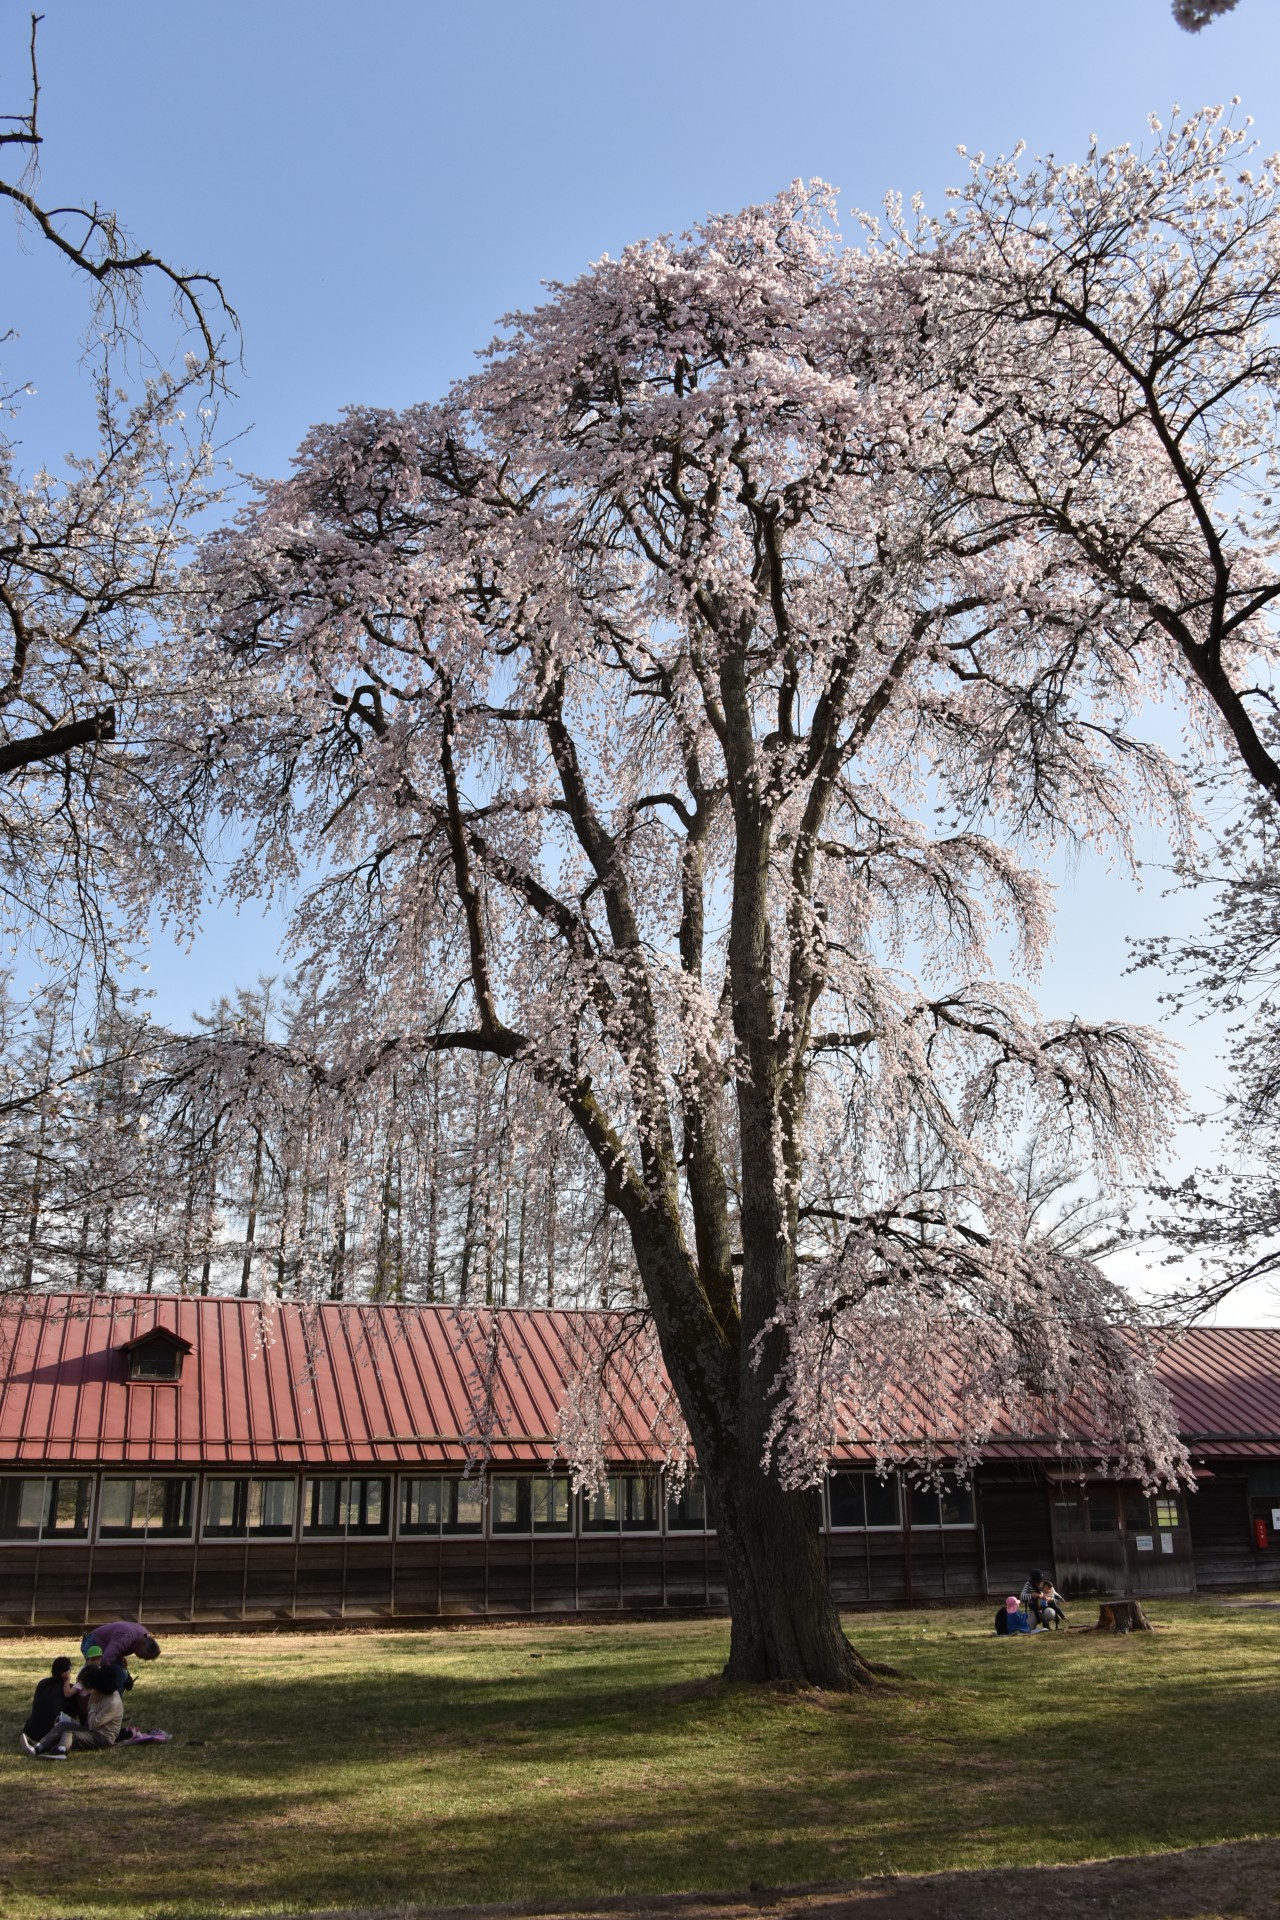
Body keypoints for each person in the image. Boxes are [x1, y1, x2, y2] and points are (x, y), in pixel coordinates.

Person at [27, 1666, 122, 1760]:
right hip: (92, 1730)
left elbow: (93, 1724)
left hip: (103, 1737)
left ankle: (61, 1751)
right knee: (63, 1725)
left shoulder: (113, 1703)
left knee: (70, 1734)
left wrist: (93, 1704)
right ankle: (38, 1747)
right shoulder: (99, 1694)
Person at [19, 1656, 79, 1752]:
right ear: (67, 1673)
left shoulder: (42, 1683)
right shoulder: (68, 1691)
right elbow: (74, 1711)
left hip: (31, 1731)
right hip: (51, 1733)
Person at [81, 1621, 161, 1668]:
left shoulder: (144, 1635)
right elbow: (106, 1659)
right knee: (91, 1674)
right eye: (142, 1656)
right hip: (94, 1643)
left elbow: (116, 1642)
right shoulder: (126, 1637)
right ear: (142, 1645)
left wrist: (120, 1656)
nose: (140, 1658)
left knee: (120, 1675)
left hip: (106, 1646)